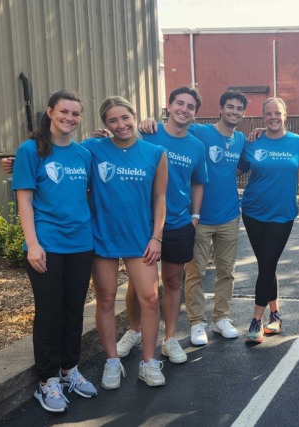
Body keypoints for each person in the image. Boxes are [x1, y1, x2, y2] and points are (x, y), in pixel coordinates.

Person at [138, 90, 248, 345]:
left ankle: (221, 317)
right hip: (198, 218)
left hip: (230, 214)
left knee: (226, 271)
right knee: (195, 272)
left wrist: (260, 133)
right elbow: (174, 126)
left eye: (239, 108)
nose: (234, 112)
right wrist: (148, 121)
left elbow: (242, 165)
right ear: (219, 108)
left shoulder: (242, 138)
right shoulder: (200, 133)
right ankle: (197, 323)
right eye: (229, 106)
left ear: (243, 113)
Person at [12, 90, 97, 412]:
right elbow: (24, 200)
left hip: (80, 243)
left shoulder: (82, 154)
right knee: (50, 312)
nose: (70, 118)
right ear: (50, 112)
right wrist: (32, 244)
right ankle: (47, 380)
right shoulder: (30, 150)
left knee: (74, 310)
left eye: (76, 114)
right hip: (46, 245)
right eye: (64, 112)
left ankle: (68, 370)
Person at [115, 87, 208, 363]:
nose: (184, 109)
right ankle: (134, 331)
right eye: (179, 103)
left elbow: (198, 182)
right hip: (143, 223)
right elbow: (118, 145)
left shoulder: (196, 146)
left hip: (179, 222)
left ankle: (169, 339)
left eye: (190, 106)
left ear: (195, 113)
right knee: (138, 284)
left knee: (171, 281)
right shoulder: (148, 132)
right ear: (169, 106)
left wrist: (195, 217)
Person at [84, 96, 168, 389]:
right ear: (104, 124)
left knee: (150, 298)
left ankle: (148, 362)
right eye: (112, 120)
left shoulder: (155, 152)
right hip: (103, 236)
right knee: (106, 300)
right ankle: (112, 362)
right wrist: (15, 163)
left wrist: (156, 237)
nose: (121, 125)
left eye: (125, 118)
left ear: (135, 116)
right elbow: (57, 157)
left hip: (140, 238)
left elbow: (159, 199)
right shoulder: (92, 149)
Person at [237, 97, 299, 343]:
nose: (273, 117)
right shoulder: (253, 142)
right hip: (252, 211)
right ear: (262, 117)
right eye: (268, 113)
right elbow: (232, 169)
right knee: (265, 264)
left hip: (282, 215)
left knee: (268, 261)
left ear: (285, 115)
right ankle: (275, 315)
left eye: (277, 113)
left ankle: (256, 320)